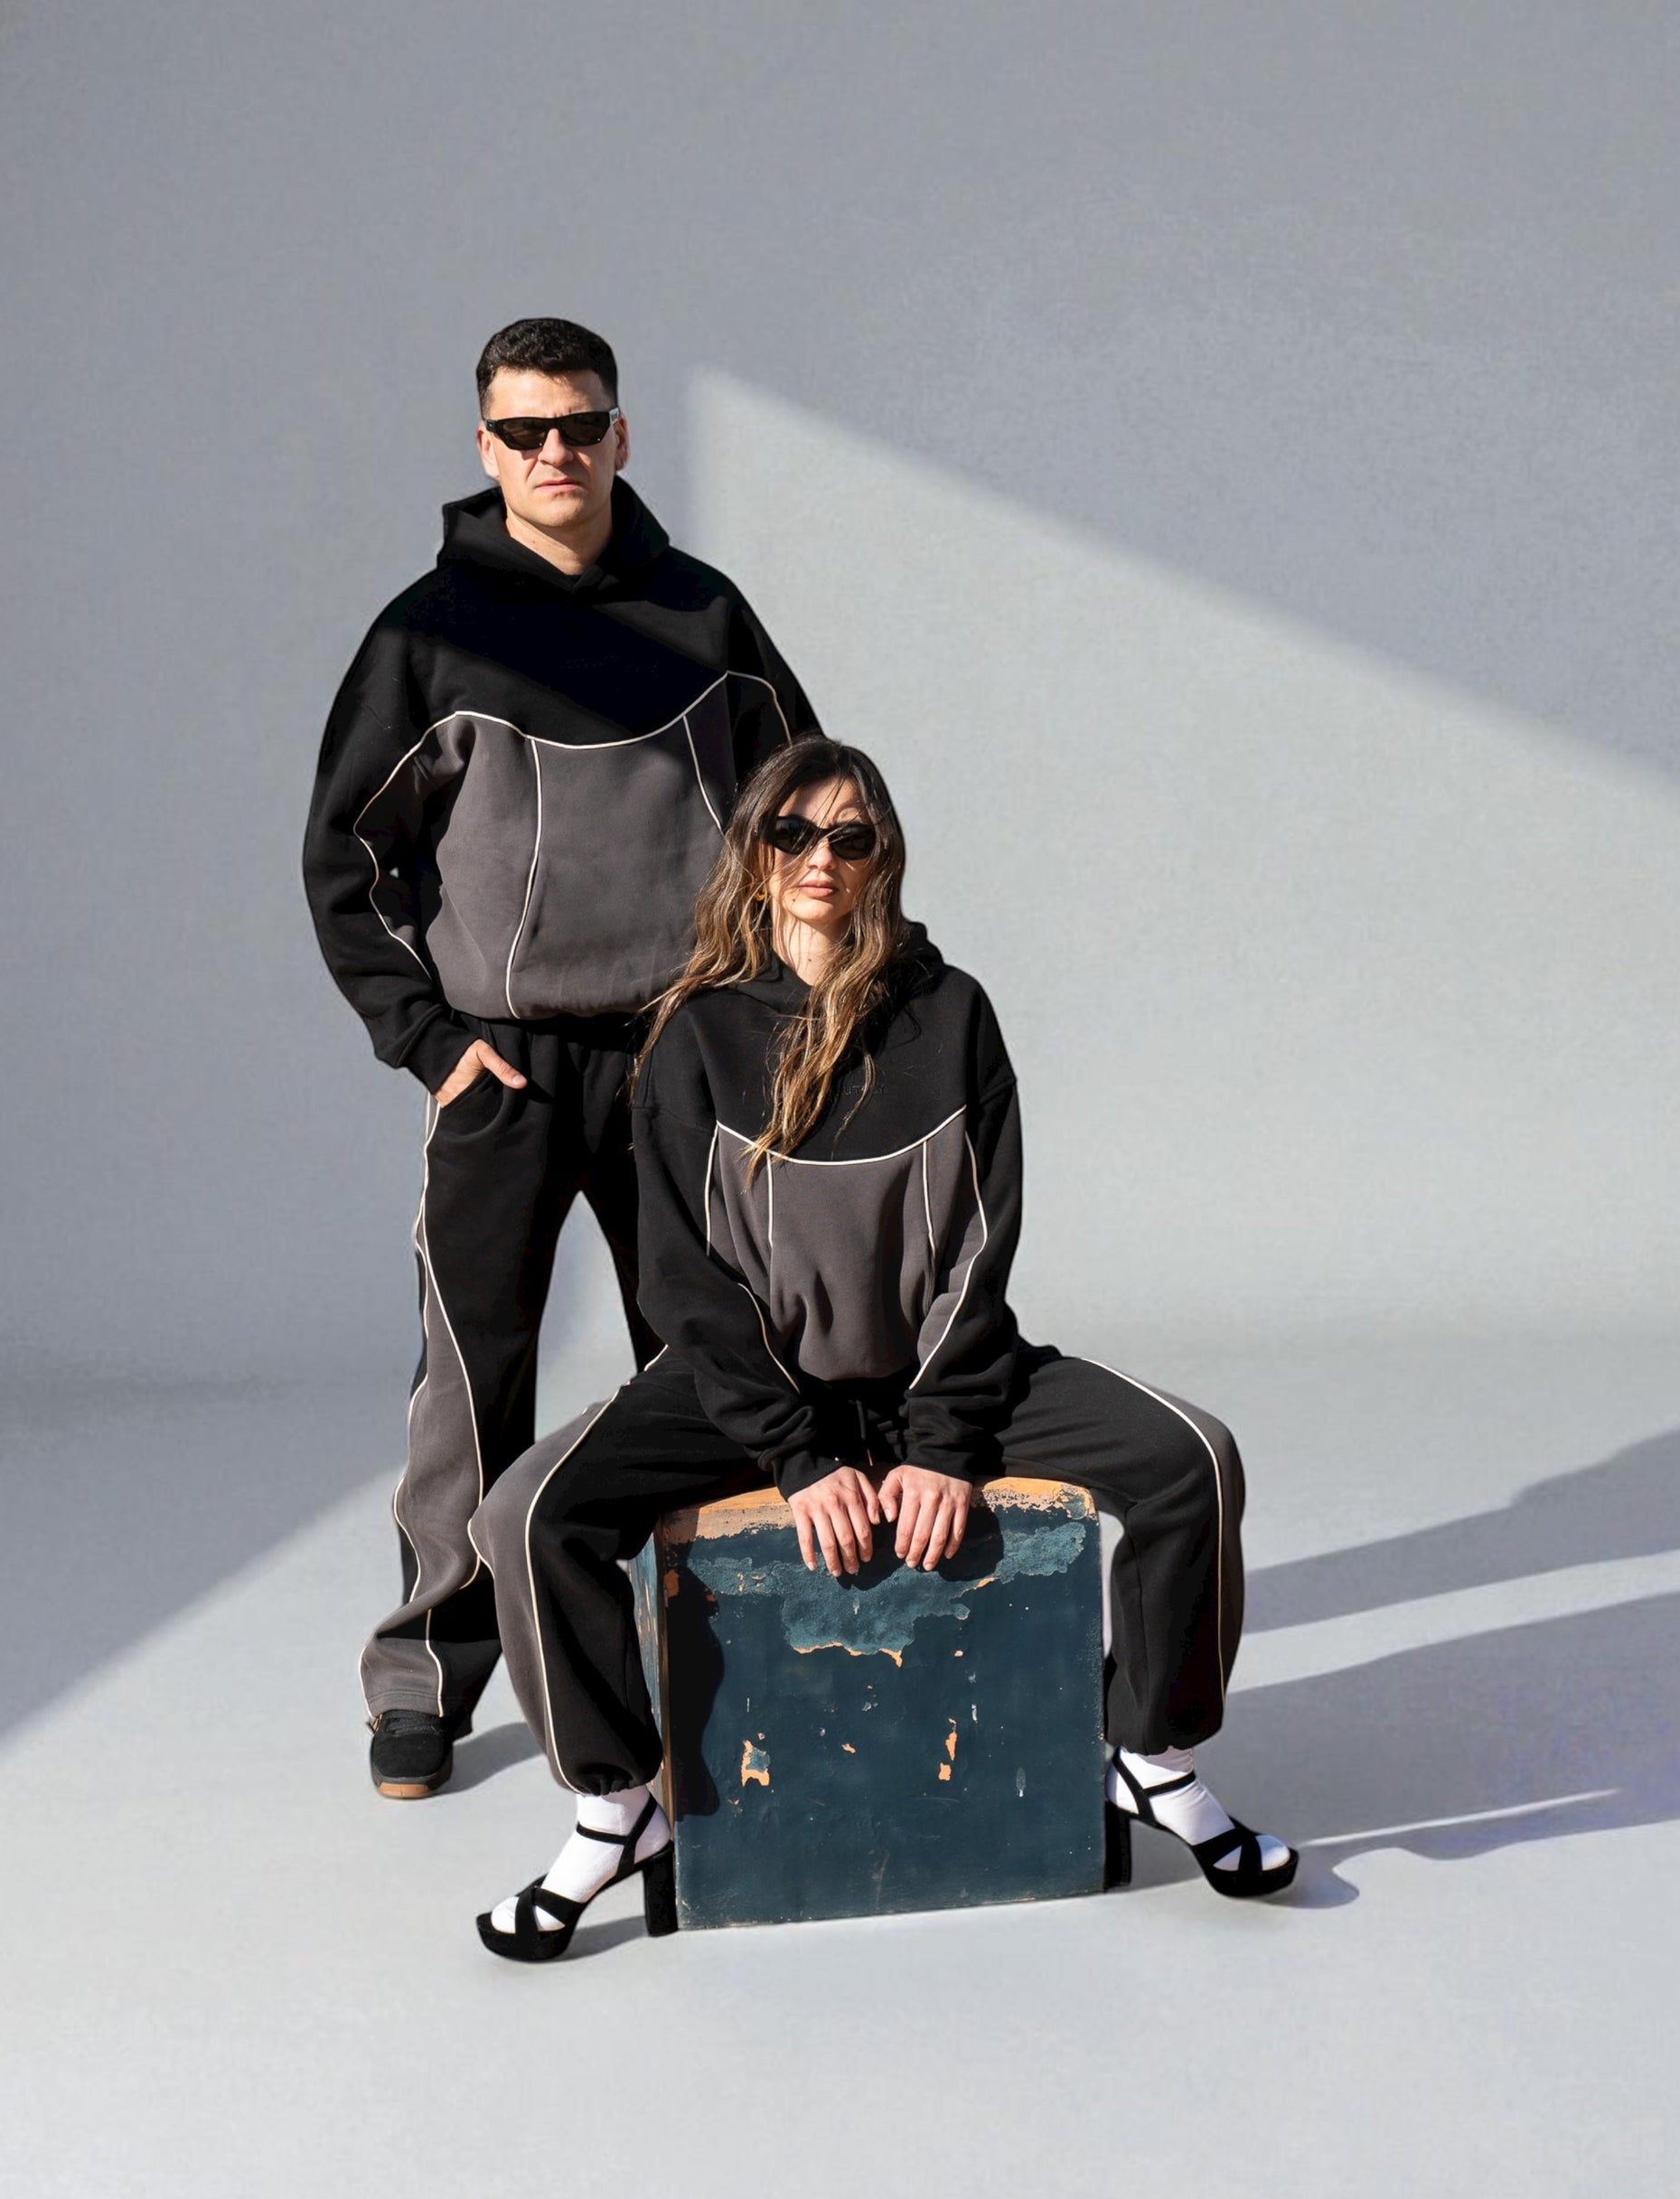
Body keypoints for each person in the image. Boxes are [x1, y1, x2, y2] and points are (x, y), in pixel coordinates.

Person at [468, 735, 1297, 1960]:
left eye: (849, 837)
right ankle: (617, 1807)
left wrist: (946, 1441)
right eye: (792, 832)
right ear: (753, 854)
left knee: (1195, 1460)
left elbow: (981, 1245)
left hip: (937, 1376)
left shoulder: (950, 1015)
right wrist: (797, 1456)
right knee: (528, 1516)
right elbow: (684, 1280)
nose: (820, 856)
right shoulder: (694, 1035)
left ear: (882, 860)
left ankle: (1150, 1756)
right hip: (754, 1391)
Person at [303, 318, 816, 1800]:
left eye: (579, 426)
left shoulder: (703, 615)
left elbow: (805, 816)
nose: (553, 453)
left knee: (712, 1363)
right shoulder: (425, 636)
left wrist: (764, 1020)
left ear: (619, 436)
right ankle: (426, 1671)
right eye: (523, 431)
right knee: (473, 1382)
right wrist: (431, 1041)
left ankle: (714, 1637)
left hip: (677, 1058)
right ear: (485, 447)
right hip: (505, 1070)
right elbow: (346, 860)